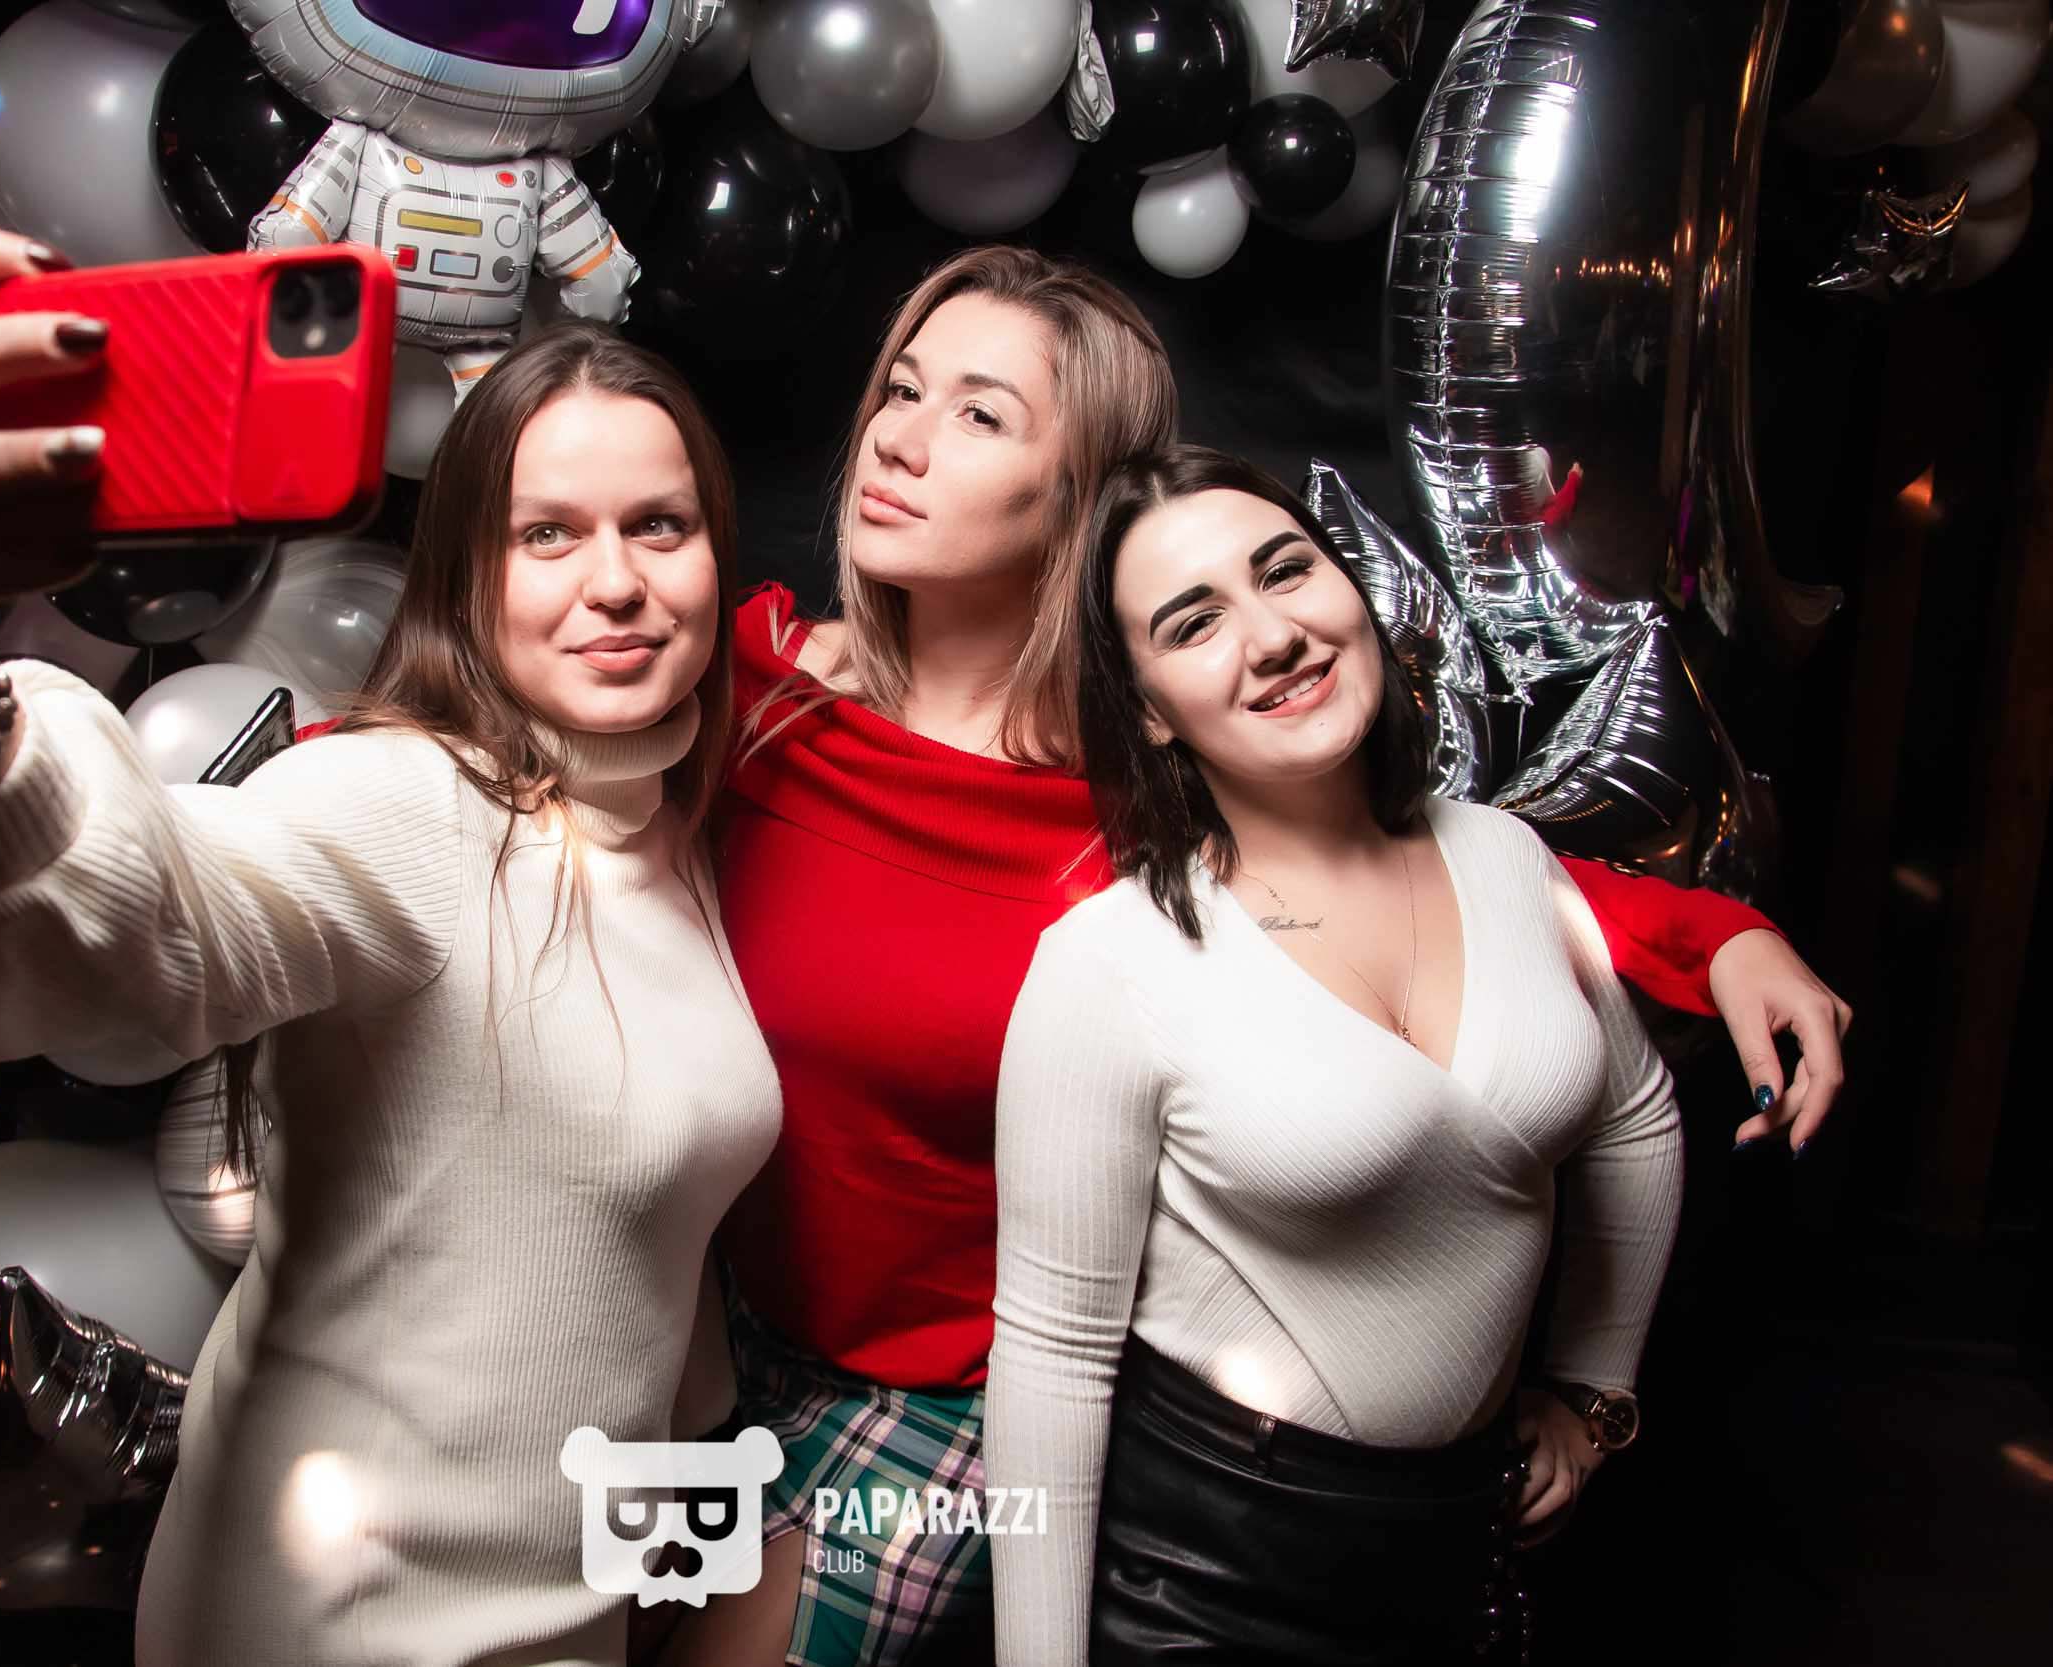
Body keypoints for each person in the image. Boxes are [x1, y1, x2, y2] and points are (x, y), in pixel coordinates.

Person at [670, 246, 1849, 1667]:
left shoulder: (1144, 802)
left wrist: (1725, 935)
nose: (901, 440)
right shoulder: (754, 692)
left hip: (963, 1389)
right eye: (901, 390)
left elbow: (1442, 866)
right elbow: (523, 748)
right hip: (712, 1320)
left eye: (980, 414)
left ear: (1078, 497)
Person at [0, 227, 779, 1666]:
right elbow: (133, 938)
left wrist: (694, 1555)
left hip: (570, 1615)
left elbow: (629, 1272)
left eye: (660, 524)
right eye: (547, 533)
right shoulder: (410, 802)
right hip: (342, 1619)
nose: (618, 579)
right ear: (464, 572)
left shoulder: (670, 836)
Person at [986, 446, 1686, 1664]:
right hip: (1207, 1574)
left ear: (1351, 590)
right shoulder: (1108, 963)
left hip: (1462, 1551)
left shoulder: (1506, 857)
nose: (1272, 637)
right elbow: (1051, 1359)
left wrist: (1593, 1390)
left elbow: (1634, 1112)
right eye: (1194, 622)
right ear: (1147, 708)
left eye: (1285, 572)